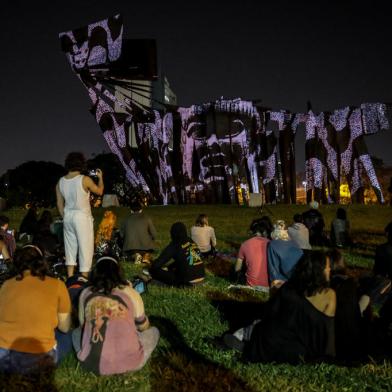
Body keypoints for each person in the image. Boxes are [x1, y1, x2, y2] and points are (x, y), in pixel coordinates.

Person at [222, 250, 336, 364]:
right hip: (296, 351)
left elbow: (269, 313)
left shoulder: (289, 288)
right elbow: (326, 329)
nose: (329, 269)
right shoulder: (329, 295)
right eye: (327, 267)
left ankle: (245, 342)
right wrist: (327, 355)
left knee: (256, 326)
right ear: (318, 270)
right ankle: (245, 343)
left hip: (269, 341)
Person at [73, 256, 159, 375]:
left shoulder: (85, 293)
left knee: (76, 333)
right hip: (130, 363)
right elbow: (143, 327)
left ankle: (88, 354)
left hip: (91, 364)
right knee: (154, 332)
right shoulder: (131, 293)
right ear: (119, 273)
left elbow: (83, 325)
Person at [0, 245, 71, 374]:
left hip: (3, 356)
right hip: (40, 359)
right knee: (69, 335)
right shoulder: (58, 285)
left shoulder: (6, 285)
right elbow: (64, 327)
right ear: (42, 262)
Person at [56, 152, 104, 278]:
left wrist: (64, 216)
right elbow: (99, 191)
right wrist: (100, 178)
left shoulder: (60, 181)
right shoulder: (84, 179)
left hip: (68, 216)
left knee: (70, 247)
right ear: (81, 163)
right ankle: (84, 277)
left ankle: (70, 277)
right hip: (82, 217)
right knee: (85, 247)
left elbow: (59, 203)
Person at [149, 222, 205, 287]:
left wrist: (152, 264)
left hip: (188, 282)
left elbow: (156, 265)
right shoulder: (190, 241)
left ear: (172, 233)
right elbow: (189, 259)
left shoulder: (175, 244)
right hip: (201, 278)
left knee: (154, 271)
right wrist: (170, 267)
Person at [233, 219, 270, 288]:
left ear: (252, 231)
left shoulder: (245, 244)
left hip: (251, 284)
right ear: (264, 232)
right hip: (269, 283)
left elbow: (237, 268)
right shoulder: (271, 244)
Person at [267, 220, 303, 288]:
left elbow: (273, 270)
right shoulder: (294, 242)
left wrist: (274, 283)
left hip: (287, 279)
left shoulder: (272, 244)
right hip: (300, 276)